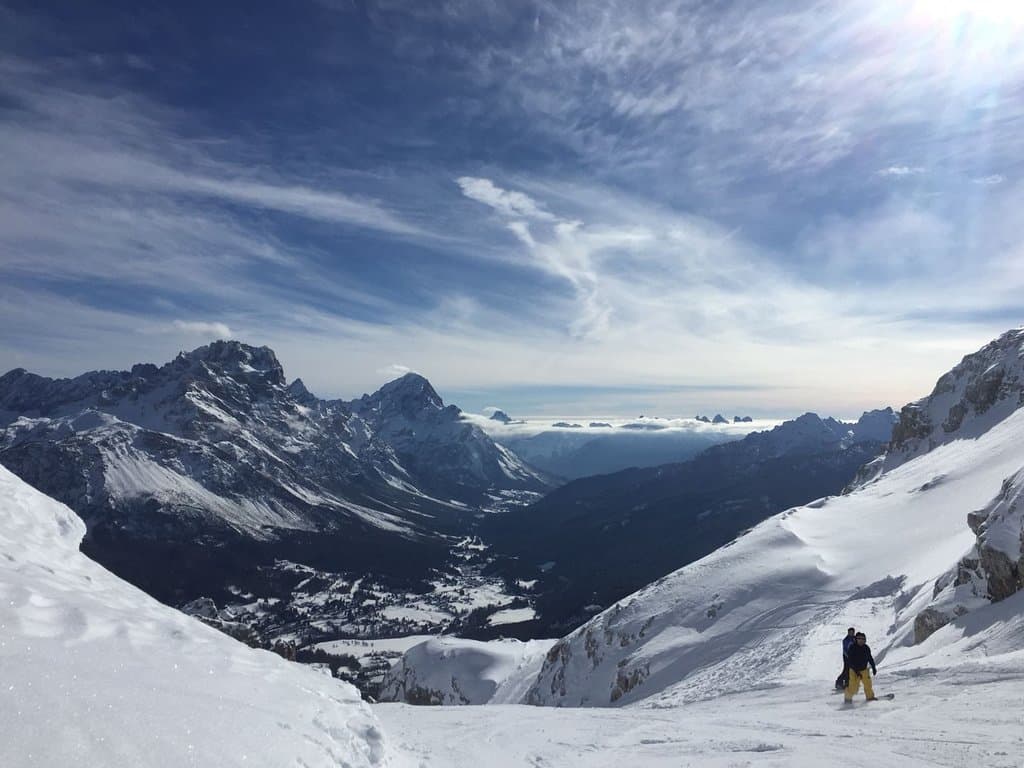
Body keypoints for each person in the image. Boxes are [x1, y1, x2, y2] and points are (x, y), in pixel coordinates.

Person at [844, 631, 877, 703]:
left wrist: (874, 667)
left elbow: (870, 658)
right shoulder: (852, 647)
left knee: (868, 684)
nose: (861, 640)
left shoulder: (866, 648)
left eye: (863, 639)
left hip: (864, 670)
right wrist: (856, 671)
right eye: (859, 639)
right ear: (856, 639)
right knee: (854, 687)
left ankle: (870, 697)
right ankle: (848, 698)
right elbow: (850, 660)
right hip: (854, 670)